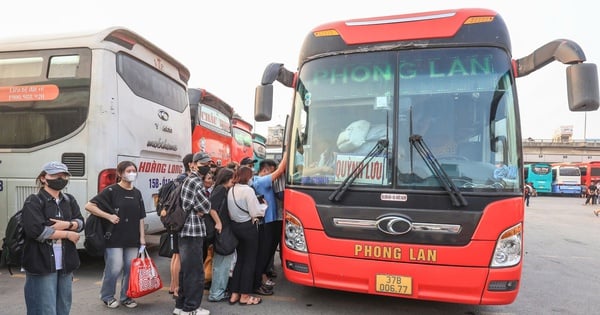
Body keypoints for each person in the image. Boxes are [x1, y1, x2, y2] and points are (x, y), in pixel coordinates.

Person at [22, 161, 84, 315]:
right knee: (44, 308)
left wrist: (67, 225)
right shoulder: (34, 201)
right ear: (43, 178)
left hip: (65, 261)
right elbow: (38, 232)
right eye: (55, 175)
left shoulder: (69, 200)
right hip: (41, 262)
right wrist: (69, 233)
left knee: (64, 306)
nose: (60, 178)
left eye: (64, 175)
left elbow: (81, 223)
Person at [85, 160, 146, 309]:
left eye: (133, 171)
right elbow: (89, 206)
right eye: (128, 171)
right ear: (120, 174)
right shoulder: (111, 191)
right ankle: (107, 296)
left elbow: (140, 217)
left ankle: (127, 296)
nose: (132, 173)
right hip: (114, 237)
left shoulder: (137, 193)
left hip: (132, 238)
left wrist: (142, 239)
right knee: (115, 267)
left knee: (130, 267)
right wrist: (109, 216)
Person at [173, 152, 213, 315]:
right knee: (195, 272)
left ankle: (181, 306)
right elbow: (206, 207)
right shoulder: (195, 181)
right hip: (192, 230)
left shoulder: (189, 179)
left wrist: (201, 209)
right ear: (194, 164)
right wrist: (202, 210)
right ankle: (191, 308)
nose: (207, 166)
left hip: (185, 230)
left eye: (208, 163)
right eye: (203, 163)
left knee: (186, 270)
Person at [227, 166, 266, 306]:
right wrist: (264, 207)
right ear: (247, 177)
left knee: (240, 261)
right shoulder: (248, 191)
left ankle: (234, 294)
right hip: (248, 228)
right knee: (249, 262)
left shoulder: (231, 190)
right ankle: (244, 296)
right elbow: (256, 212)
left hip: (235, 227)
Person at [251, 153, 288, 296]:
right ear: (265, 170)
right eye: (272, 172)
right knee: (263, 253)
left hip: (271, 221)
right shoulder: (259, 181)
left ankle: (263, 277)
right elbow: (280, 171)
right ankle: (258, 281)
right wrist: (286, 154)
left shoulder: (264, 181)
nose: (275, 177)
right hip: (264, 223)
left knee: (268, 253)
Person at [161, 153, 194, 297]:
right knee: (178, 256)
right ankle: (177, 287)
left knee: (175, 255)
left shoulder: (177, 179)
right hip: (180, 221)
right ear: (191, 164)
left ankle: (173, 285)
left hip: (173, 220)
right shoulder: (186, 180)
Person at [207, 168, 236, 302]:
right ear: (227, 178)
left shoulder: (222, 189)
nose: (234, 181)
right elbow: (211, 208)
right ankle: (216, 293)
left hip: (223, 229)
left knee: (222, 263)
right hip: (222, 230)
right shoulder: (220, 190)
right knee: (221, 263)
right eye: (232, 178)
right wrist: (218, 223)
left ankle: (217, 291)